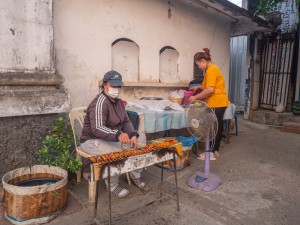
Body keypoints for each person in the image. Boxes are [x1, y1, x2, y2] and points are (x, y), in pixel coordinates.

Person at [80, 70, 145, 197]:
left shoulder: (119, 102)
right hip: (92, 141)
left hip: (111, 137)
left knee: (141, 137)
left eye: (118, 86)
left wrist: (132, 134)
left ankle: (135, 173)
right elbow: (97, 128)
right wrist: (118, 134)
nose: (116, 88)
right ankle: (112, 185)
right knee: (116, 151)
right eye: (113, 85)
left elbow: (126, 121)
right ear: (105, 85)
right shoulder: (100, 102)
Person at [188, 48, 229, 160]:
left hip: (217, 102)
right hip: (219, 102)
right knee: (217, 127)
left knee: (213, 128)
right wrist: (199, 87)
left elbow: (210, 89)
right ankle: (215, 150)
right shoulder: (212, 68)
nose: (199, 67)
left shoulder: (211, 70)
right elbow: (207, 85)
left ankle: (210, 154)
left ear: (202, 61)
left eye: (198, 65)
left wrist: (195, 97)